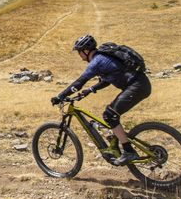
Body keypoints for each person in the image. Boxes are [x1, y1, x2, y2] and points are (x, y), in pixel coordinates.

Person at [51, 35, 151, 166]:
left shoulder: (97, 61)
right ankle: (115, 142)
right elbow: (108, 80)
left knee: (110, 115)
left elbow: (80, 82)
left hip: (137, 86)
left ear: (85, 51)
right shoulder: (104, 59)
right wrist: (90, 90)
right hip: (139, 85)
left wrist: (61, 96)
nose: (80, 56)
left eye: (79, 52)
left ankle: (128, 151)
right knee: (112, 115)